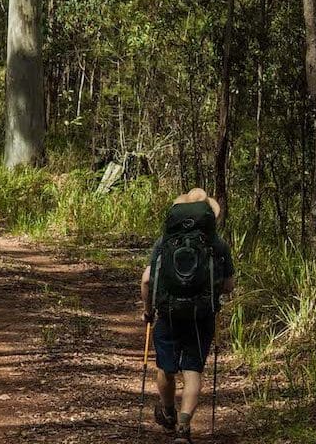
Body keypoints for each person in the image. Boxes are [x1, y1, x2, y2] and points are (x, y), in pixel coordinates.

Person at [140, 188, 235, 443]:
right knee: (193, 371)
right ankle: (184, 427)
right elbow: (228, 286)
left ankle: (168, 411)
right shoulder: (218, 244)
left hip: (167, 313)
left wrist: (148, 311)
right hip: (201, 316)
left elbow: (147, 280)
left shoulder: (164, 241)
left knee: (166, 368)